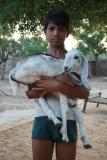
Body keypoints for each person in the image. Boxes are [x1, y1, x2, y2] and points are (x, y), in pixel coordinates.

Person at [26, 10, 89, 160]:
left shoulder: (77, 59)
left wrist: (56, 85)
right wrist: (42, 88)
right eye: (51, 28)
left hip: (69, 119)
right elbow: (29, 93)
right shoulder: (37, 60)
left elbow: (85, 93)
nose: (56, 33)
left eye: (61, 29)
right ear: (45, 32)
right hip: (42, 119)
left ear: (67, 33)